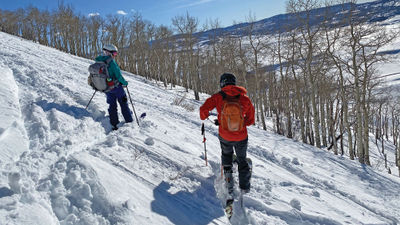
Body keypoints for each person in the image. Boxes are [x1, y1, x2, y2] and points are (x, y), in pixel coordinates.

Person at [199, 73, 255, 195]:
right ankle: (244, 187)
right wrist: (240, 123)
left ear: (222, 83)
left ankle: (228, 180)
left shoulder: (218, 97)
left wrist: (207, 116)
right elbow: (251, 120)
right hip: (241, 136)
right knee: (242, 159)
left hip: (225, 135)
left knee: (226, 154)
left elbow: (203, 110)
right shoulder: (244, 99)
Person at [96, 44, 133, 130]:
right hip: (116, 88)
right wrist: (125, 83)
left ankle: (114, 124)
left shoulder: (99, 61)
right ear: (109, 52)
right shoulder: (111, 62)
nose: (115, 56)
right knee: (123, 103)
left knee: (112, 105)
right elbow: (118, 76)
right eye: (115, 53)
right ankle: (129, 121)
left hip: (107, 88)